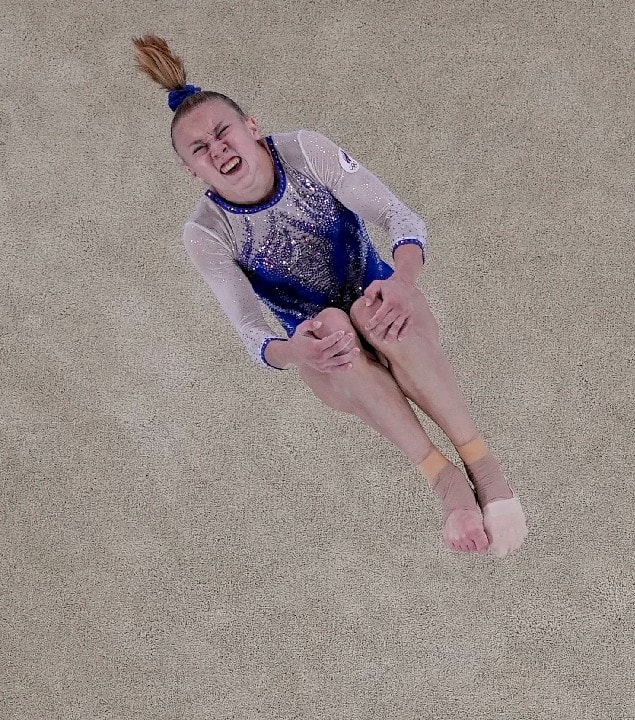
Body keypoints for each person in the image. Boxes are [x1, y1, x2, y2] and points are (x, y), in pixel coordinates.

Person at [132, 35, 527, 556]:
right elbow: (253, 334)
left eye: (223, 133)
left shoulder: (305, 151)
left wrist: (402, 283)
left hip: (391, 312)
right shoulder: (206, 233)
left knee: (370, 306)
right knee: (334, 325)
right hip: (329, 357)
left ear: (252, 129)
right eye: (199, 150)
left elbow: (401, 219)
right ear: (192, 171)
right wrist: (301, 351)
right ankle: (442, 477)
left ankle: (481, 463)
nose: (218, 150)